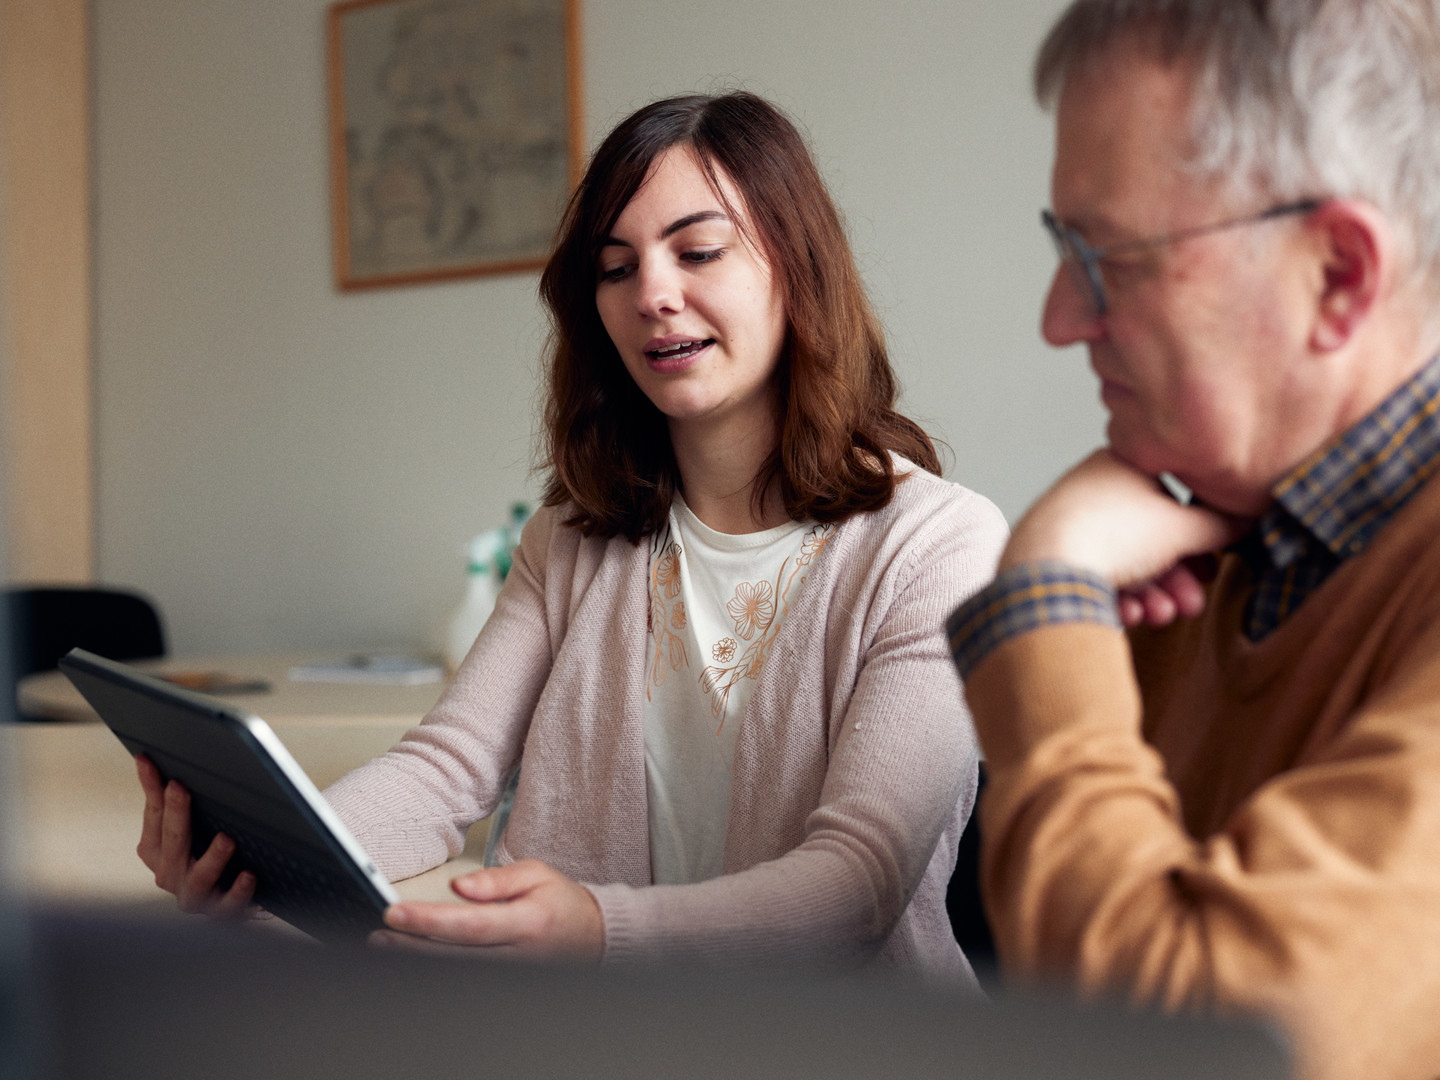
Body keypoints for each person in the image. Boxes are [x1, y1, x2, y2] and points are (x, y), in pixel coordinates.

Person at [136, 91, 1007, 983]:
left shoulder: (940, 545)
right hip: (592, 1037)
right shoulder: (575, 531)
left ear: (799, 268)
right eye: (615, 267)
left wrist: (599, 930)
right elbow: (446, 770)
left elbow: (857, 886)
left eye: (698, 251)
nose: (653, 295)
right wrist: (263, 859)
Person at [946, 2, 1440, 1077]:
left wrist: (1045, 600)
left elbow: (1199, 1052)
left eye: (1108, 256)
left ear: (1339, 275)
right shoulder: (1212, 551)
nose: (1058, 318)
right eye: (1060, 246)